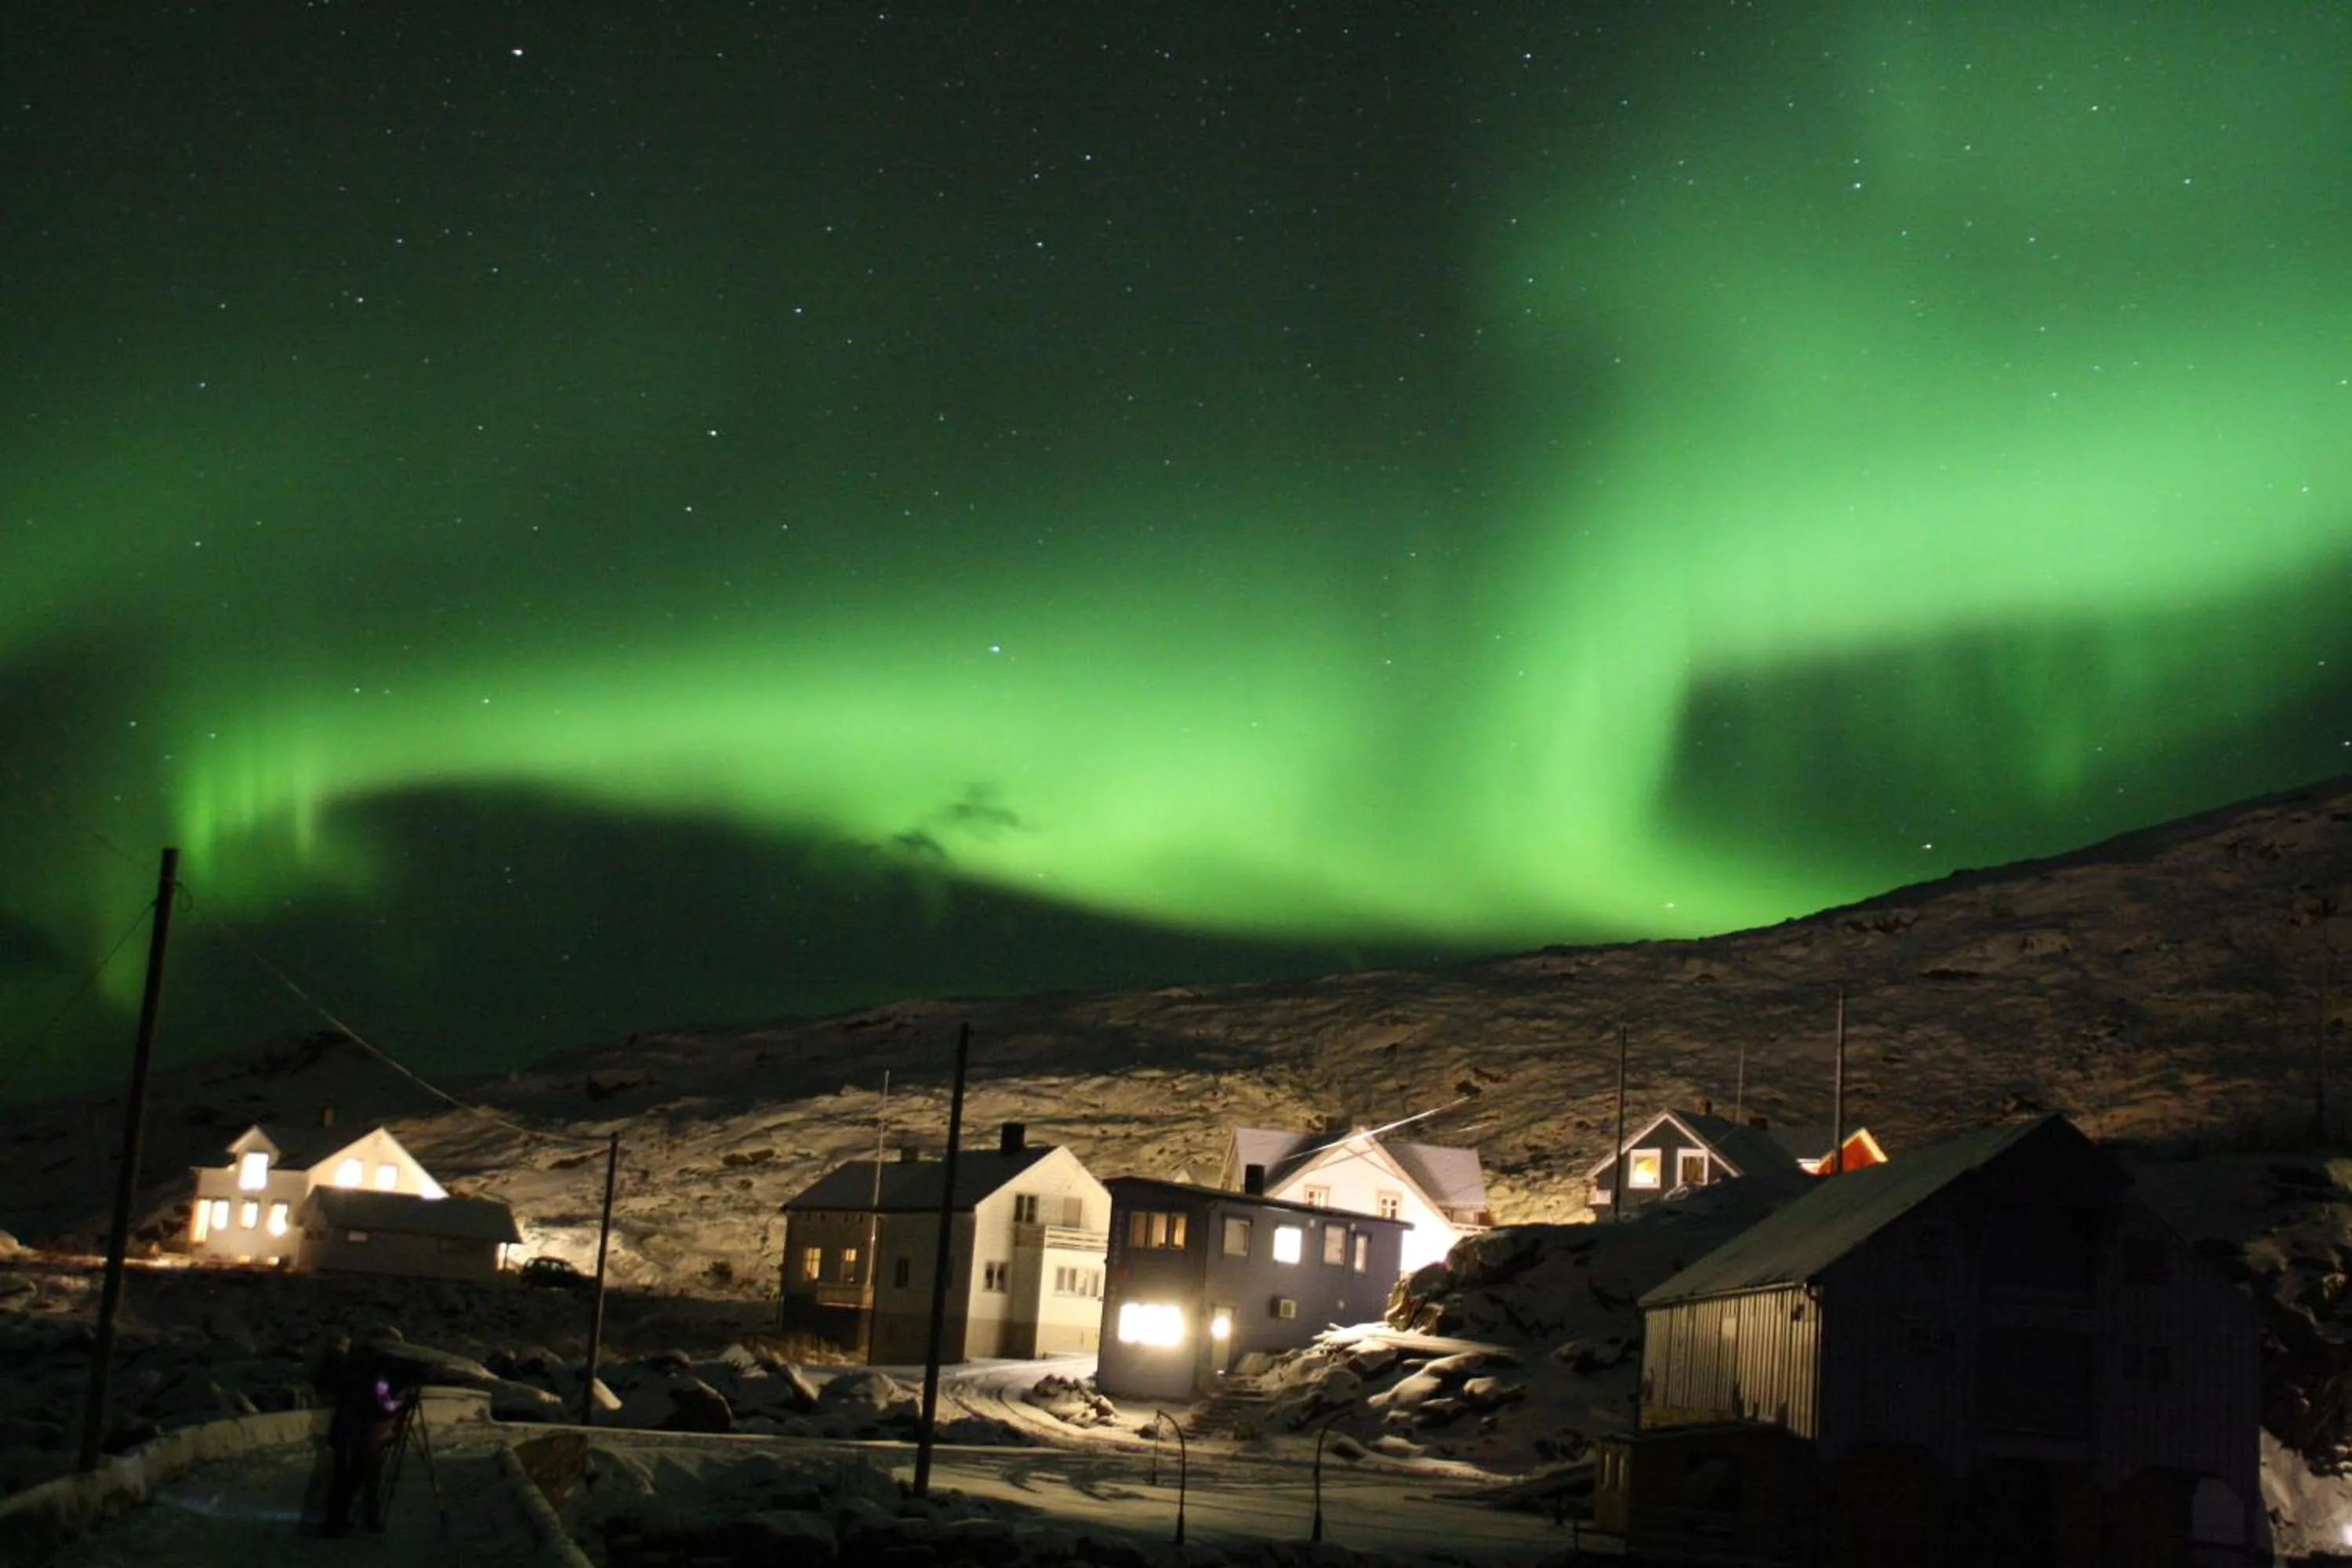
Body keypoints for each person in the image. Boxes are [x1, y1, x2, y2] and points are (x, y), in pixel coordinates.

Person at [314, 1333, 403, 1536]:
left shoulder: (348, 1368)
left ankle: (335, 1521)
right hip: (363, 1433)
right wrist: (398, 1407)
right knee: (363, 1476)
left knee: (341, 1478)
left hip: (344, 1430)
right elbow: (384, 1406)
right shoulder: (379, 1378)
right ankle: (365, 1518)